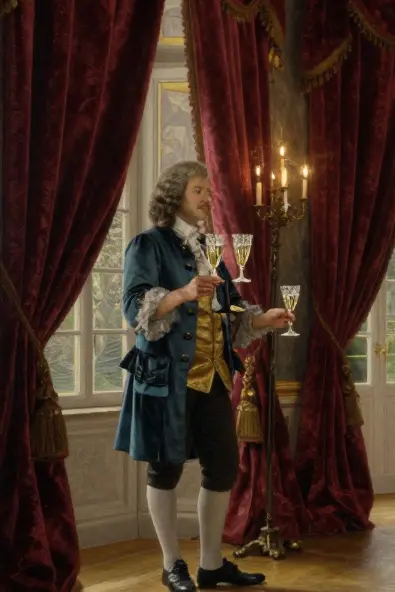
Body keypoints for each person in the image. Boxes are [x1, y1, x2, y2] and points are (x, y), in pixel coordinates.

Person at [114, 161, 294, 591]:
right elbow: (133, 308)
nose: (208, 197)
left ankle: (211, 564)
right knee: (165, 470)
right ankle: (172, 563)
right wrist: (182, 293)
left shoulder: (208, 248)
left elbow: (229, 307)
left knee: (223, 467)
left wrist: (263, 318)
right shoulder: (148, 244)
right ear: (176, 194)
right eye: (199, 190)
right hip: (163, 379)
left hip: (212, 375)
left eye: (209, 191)